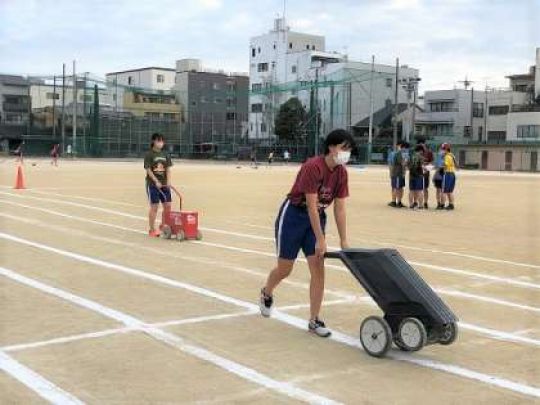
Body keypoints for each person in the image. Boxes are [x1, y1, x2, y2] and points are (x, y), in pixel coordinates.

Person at [259, 129, 354, 338]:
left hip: (316, 219)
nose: (346, 153)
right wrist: (321, 239)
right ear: (331, 147)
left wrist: (344, 239)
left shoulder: (341, 173)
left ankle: (314, 319)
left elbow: (339, 208)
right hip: (294, 216)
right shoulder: (313, 167)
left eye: (349, 149)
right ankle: (267, 291)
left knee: (318, 268)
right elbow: (310, 205)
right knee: (285, 269)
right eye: (343, 148)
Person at [144, 133, 173, 237]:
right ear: (153, 141)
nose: (161, 143)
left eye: (162, 141)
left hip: (164, 185)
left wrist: (168, 181)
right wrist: (156, 181)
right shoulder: (149, 154)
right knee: (154, 207)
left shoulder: (165, 154)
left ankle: (163, 224)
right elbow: (148, 170)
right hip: (152, 185)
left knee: (168, 206)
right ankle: (152, 229)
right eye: (158, 140)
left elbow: (168, 169)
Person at [388, 141, 407, 208]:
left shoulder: (401, 153)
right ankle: (396, 202)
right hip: (398, 173)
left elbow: (391, 164)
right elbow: (392, 164)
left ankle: (397, 201)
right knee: (397, 188)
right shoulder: (397, 154)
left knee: (398, 187)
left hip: (398, 173)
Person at [417, 139, 434, 208]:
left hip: (426, 172)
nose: (421, 146)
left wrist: (427, 166)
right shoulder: (416, 152)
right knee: (418, 188)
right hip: (417, 173)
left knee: (425, 188)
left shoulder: (429, 152)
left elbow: (431, 162)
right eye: (420, 145)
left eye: (422, 144)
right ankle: (418, 202)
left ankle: (425, 202)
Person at [408, 145, 425, 209]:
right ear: (420, 150)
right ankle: (420, 205)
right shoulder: (421, 157)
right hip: (419, 175)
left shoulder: (411, 156)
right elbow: (422, 166)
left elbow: (408, 165)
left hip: (411, 175)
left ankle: (411, 205)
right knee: (420, 191)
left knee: (411, 191)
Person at [441, 143, 457, 210]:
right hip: (453, 174)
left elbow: (445, 165)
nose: (442, 150)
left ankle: (442, 205)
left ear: (446, 149)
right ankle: (451, 204)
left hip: (447, 174)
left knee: (444, 191)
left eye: (443, 149)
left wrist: (440, 166)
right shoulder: (452, 155)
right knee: (450, 191)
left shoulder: (447, 156)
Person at [433, 144, 446, 209]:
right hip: (445, 174)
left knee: (438, 190)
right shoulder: (448, 155)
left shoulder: (438, 155)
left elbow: (436, 166)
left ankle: (438, 204)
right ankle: (442, 204)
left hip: (438, 174)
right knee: (443, 191)